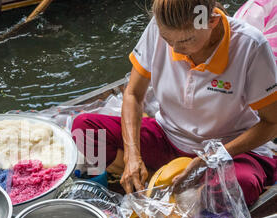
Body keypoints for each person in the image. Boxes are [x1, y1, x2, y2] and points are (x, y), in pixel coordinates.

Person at [71, 0, 277, 206]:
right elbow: (133, 94)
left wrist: (210, 158)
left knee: (240, 185)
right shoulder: (157, 28)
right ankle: (143, 186)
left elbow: (272, 123)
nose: (176, 49)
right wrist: (131, 156)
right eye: (167, 39)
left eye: (186, 40)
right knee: (84, 130)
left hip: (228, 149)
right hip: (168, 137)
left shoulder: (250, 45)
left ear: (212, 21)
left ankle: (179, 193)